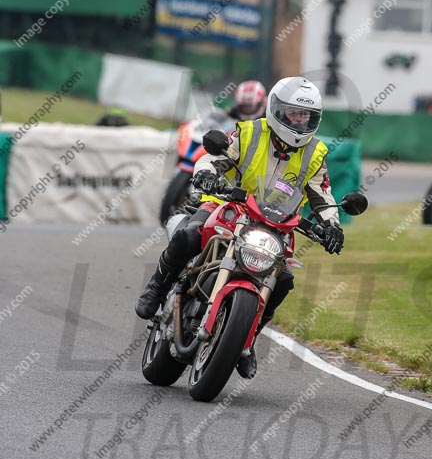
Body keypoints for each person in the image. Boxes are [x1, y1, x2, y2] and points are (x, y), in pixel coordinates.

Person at [135, 76, 345, 378]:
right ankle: (157, 288)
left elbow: (323, 196)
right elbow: (214, 157)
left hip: (276, 226)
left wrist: (332, 227)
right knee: (189, 235)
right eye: (293, 114)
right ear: (276, 109)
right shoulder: (249, 132)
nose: (299, 122)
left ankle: (246, 341)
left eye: (306, 116)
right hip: (229, 206)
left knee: (283, 279)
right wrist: (206, 175)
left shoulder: (315, 153)